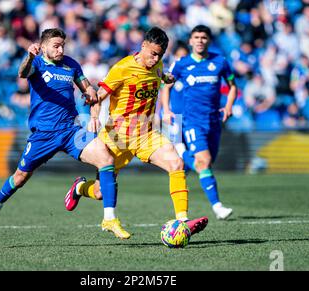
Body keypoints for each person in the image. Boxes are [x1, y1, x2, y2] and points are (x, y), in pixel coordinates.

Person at [64, 27, 209, 239]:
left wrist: (167, 77)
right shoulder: (122, 68)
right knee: (100, 192)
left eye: (160, 55)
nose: (156, 58)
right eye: (153, 53)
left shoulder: (157, 65)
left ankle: (183, 221)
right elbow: (98, 96)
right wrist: (94, 118)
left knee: (176, 164)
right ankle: (79, 188)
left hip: (146, 134)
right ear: (143, 46)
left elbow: (160, 73)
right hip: (117, 136)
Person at [0, 28, 124, 238]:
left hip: (70, 130)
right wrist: (29, 56)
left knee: (107, 158)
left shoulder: (71, 64)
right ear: (44, 46)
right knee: (20, 178)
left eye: (62, 46)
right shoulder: (36, 63)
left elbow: (87, 89)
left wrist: (91, 98)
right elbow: (22, 73)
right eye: (56, 46)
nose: (60, 50)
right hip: (44, 134)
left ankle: (110, 219)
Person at [161, 25, 237, 220]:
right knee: (204, 162)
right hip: (192, 122)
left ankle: (182, 153)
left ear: (208, 40)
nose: (200, 40)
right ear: (190, 41)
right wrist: (167, 110)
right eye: (196, 37)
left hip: (214, 121)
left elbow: (232, 86)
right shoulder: (181, 64)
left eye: (204, 37)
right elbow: (166, 88)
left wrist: (228, 105)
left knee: (207, 162)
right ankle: (218, 206)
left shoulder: (220, 62)